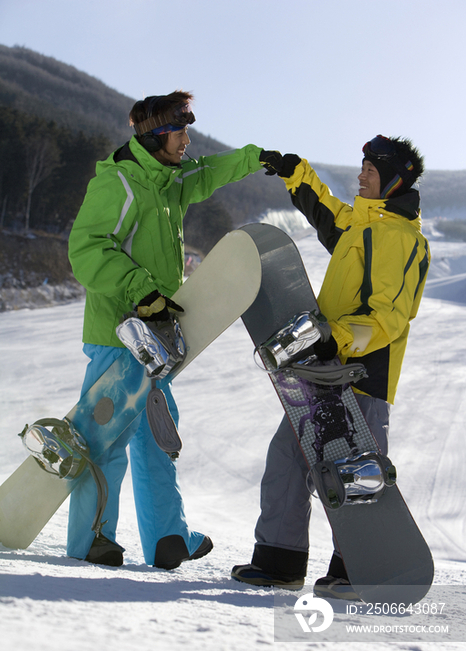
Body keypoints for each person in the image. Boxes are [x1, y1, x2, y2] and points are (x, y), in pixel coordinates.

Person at [67, 90, 264, 568]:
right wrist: (140, 290)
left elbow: (210, 172)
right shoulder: (120, 183)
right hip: (121, 334)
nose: (187, 140)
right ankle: (92, 539)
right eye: (180, 131)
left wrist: (257, 158)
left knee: (158, 435)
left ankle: (166, 539)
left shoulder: (169, 180)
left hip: (157, 333)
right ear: (157, 136)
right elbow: (87, 249)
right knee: (106, 440)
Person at [232, 135, 430, 597]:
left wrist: (333, 338)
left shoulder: (400, 239)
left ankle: (358, 570)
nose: (361, 175)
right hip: (325, 367)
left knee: (352, 473)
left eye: (371, 171)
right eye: (362, 167)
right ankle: (280, 560)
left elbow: (387, 317)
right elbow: (325, 212)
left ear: (394, 180)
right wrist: (293, 172)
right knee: (287, 457)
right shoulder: (362, 226)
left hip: (360, 374)